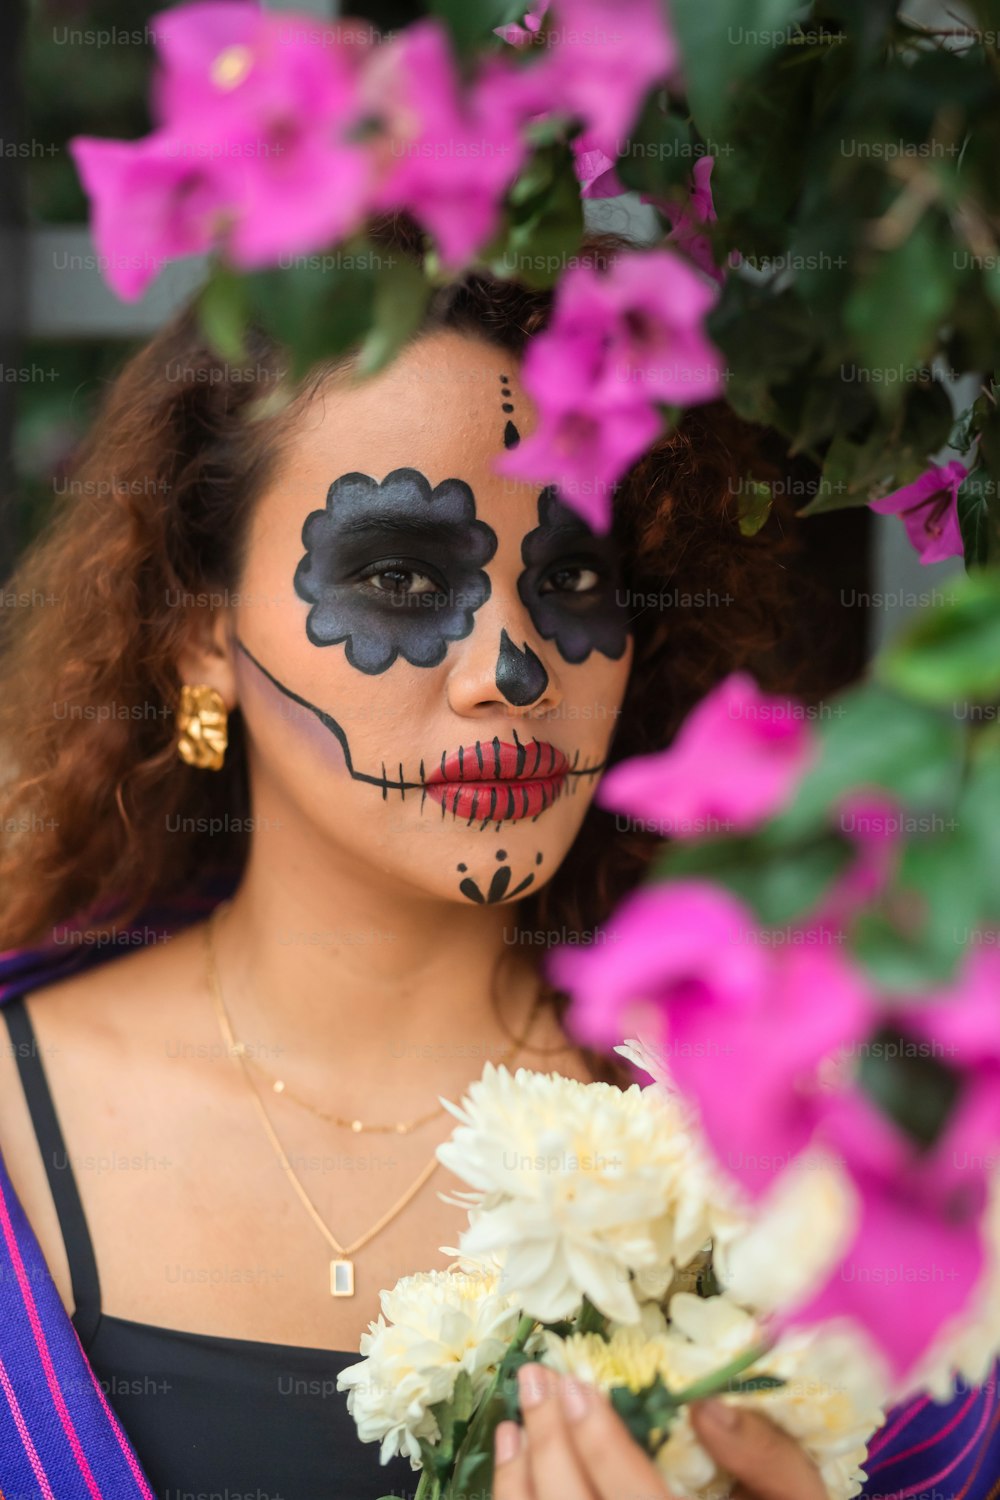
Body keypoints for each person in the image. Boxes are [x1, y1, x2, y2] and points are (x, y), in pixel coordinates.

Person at [0, 224, 990, 1499]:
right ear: (200, 637)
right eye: (405, 574)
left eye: (574, 575)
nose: (516, 671)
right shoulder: (20, 1123)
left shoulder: (797, 1140)